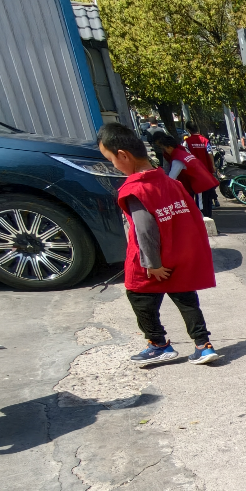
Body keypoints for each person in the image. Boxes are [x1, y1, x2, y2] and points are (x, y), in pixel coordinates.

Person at [96, 122, 219, 366]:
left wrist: (152, 264)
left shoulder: (136, 190)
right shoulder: (173, 184)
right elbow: (190, 220)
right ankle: (202, 345)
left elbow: (144, 230)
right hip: (178, 259)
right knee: (188, 302)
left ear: (123, 155)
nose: (113, 165)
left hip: (151, 265)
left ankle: (158, 343)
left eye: (111, 159)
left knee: (140, 300)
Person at [148, 132, 221, 220]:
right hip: (206, 180)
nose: (164, 151)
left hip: (201, 185)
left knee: (202, 209)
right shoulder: (183, 152)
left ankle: (206, 229)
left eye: (164, 148)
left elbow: (171, 178)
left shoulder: (177, 159)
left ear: (170, 147)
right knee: (205, 206)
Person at [183, 123, 220, 216]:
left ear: (188, 130)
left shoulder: (187, 141)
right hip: (205, 171)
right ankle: (206, 213)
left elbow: (185, 154)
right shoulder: (205, 140)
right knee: (206, 195)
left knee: (197, 195)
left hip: (193, 172)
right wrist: (213, 165)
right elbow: (210, 152)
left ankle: (200, 214)